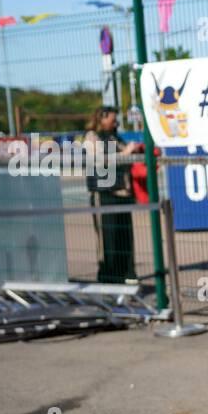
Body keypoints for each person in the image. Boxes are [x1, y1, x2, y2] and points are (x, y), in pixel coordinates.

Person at [82, 106, 141, 284]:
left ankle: (127, 273)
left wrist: (136, 151)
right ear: (101, 118)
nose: (116, 122)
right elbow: (100, 160)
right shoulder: (92, 137)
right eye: (112, 118)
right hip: (104, 192)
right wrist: (125, 153)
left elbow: (126, 154)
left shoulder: (116, 137)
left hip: (122, 192)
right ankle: (108, 277)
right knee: (108, 238)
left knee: (125, 236)